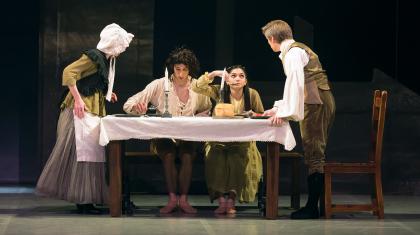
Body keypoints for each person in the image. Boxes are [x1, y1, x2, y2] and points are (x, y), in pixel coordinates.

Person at [36, 23, 134, 214]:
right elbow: (69, 73)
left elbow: (92, 80)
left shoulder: (105, 60)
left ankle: (86, 199)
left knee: (91, 154)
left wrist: (107, 92)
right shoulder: (94, 56)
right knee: (82, 154)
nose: (121, 51)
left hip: (93, 109)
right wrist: (79, 100)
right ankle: (83, 200)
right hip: (81, 110)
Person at [261, 20, 336, 219]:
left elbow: (296, 84)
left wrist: (285, 112)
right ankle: (313, 206)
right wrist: (280, 107)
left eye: (267, 41)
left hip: (315, 102)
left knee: (314, 151)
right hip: (315, 100)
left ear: (272, 39)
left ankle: (312, 207)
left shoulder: (292, 53)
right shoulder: (294, 50)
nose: (268, 44)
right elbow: (295, 85)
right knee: (313, 151)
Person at [123, 47, 211, 214]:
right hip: (164, 135)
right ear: (172, 68)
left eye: (185, 69)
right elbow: (128, 104)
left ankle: (183, 199)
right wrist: (137, 107)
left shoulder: (197, 87)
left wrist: (200, 116)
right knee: (169, 155)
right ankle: (172, 199)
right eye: (178, 69)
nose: (181, 74)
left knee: (186, 155)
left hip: (187, 136)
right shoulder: (159, 85)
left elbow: (207, 108)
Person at [191, 65, 264, 214]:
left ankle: (231, 198)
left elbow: (261, 116)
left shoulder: (252, 94)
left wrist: (253, 115)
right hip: (218, 139)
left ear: (245, 81)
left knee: (239, 158)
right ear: (227, 79)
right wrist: (214, 73)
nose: (237, 78)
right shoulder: (219, 91)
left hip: (242, 140)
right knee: (214, 157)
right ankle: (221, 200)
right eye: (233, 75)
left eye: (241, 76)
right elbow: (196, 87)